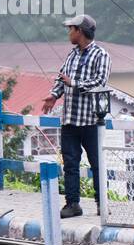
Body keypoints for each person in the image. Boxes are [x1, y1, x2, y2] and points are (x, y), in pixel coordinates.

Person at [40, 14, 110, 218]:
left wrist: (74, 83)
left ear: (80, 31)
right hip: (70, 118)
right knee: (70, 164)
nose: (68, 33)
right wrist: (54, 95)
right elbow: (61, 78)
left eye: (70, 29)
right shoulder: (72, 55)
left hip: (91, 120)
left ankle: (102, 203)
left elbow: (100, 82)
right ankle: (72, 204)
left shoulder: (101, 55)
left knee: (97, 163)